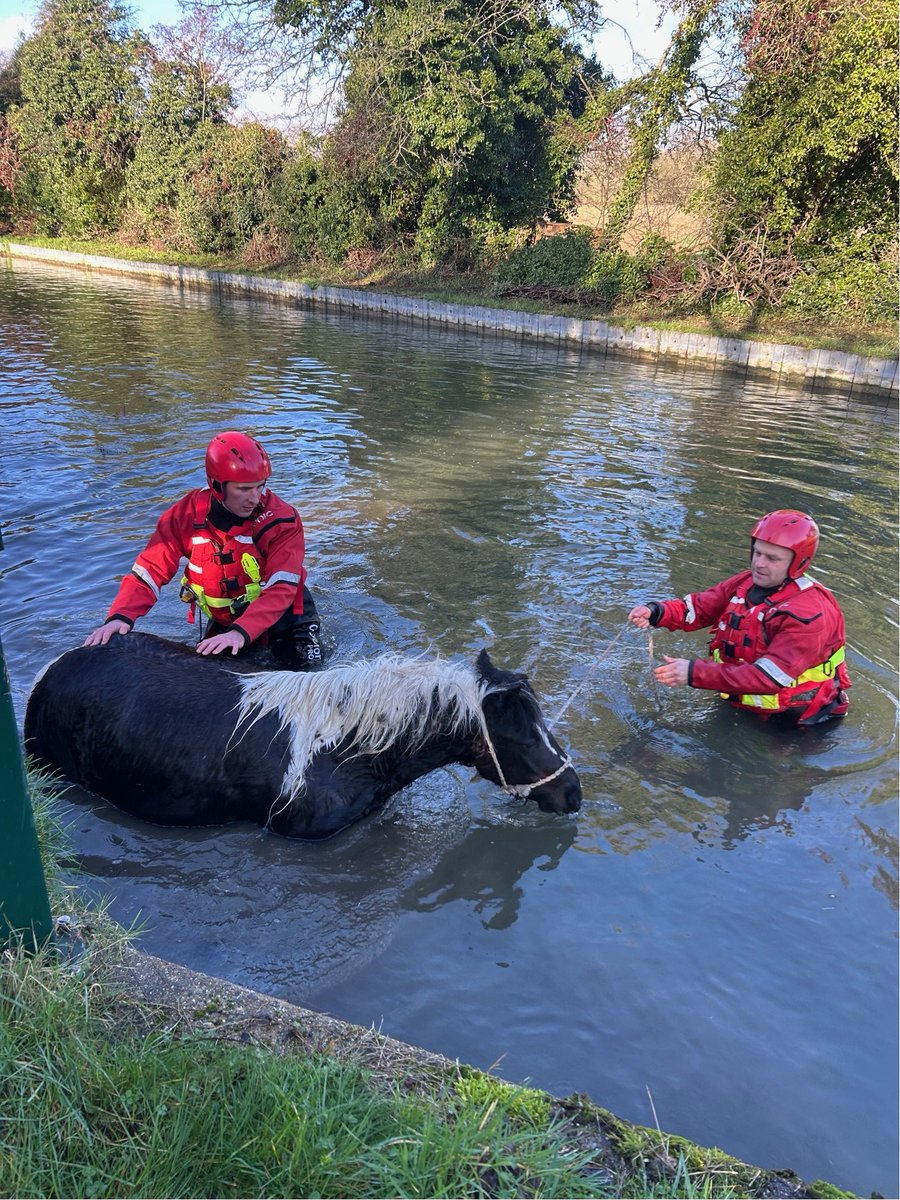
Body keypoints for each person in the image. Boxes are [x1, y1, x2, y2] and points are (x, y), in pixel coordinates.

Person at [85, 430, 324, 670]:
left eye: (260, 486)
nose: (254, 498)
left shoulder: (282, 521)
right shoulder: (185, 516)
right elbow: (149, 570)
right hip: (229, 625)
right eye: (243, 489)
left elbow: (281, 588)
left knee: (308, 675)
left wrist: (240, 633)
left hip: (288, 621)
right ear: (217, 485)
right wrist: (120, 616)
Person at [628, 509, 851, 724]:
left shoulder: (809, 614)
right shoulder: (746, 582)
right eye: (758, 553)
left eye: (773, 558)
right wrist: (656, 612)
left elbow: (768, 678)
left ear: (799, 563)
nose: (759, 563)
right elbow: (699, 607)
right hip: (744, 700)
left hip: (799, 721)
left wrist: (693, 673)